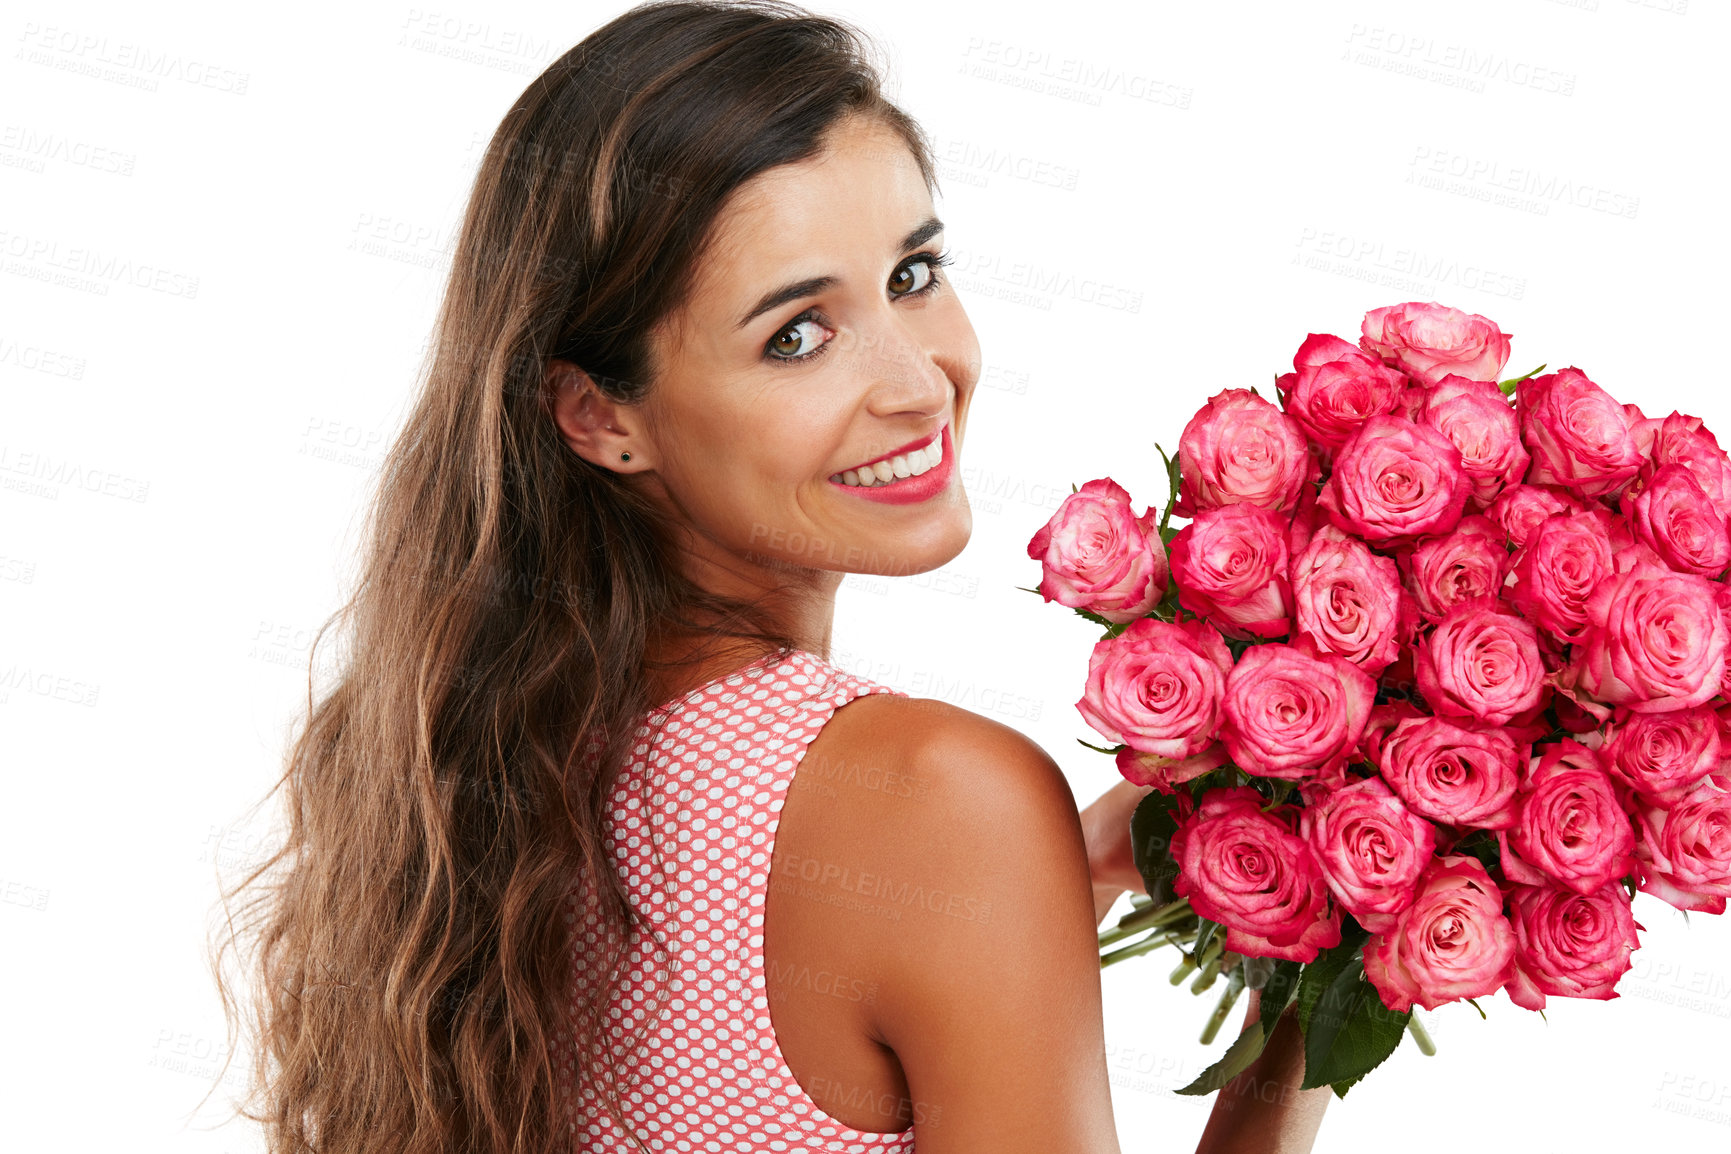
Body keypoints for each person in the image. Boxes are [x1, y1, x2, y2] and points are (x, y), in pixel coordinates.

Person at [214, 3, 1331, 1151]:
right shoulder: (941, 798)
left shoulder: (490, 772)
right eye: (797, 334)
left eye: (913, 272)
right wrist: (1316, 998)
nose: (916, 382)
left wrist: (1055, 878)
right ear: (599, 414)